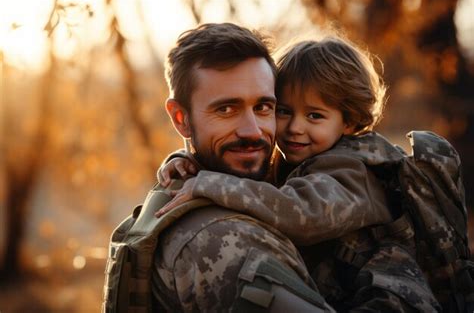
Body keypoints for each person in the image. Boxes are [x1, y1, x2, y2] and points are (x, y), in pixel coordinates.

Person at [157, 37, 441, 311]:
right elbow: (262, 187)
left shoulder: (354, 171)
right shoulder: (298, 160)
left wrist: (212, 184)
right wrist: (188, 160)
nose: (295, 127)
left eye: (314, 116)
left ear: (350, 121)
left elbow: (300, 213)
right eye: (283, 111)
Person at [148, 23, 334, 312]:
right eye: (226, 110)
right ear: (181, 118)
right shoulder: (225, 240)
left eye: (263, 108)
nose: (253, 131)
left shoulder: (199, 183)